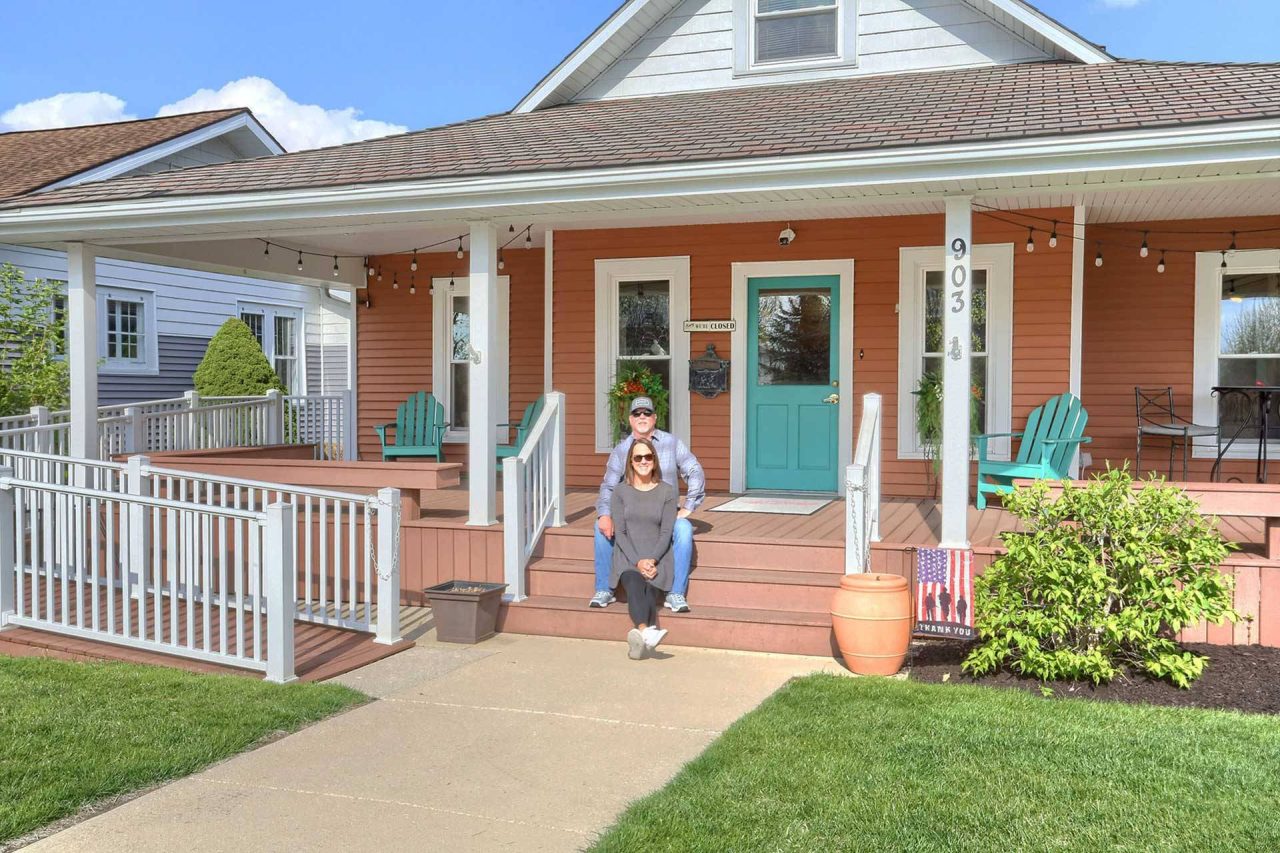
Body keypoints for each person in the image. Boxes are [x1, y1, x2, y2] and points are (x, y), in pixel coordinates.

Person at [590, 396, 704, 612]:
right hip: (632, 516)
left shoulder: (672, 443)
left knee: (683, 529)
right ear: (630, 420)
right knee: (600, 526)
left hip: (665, 515)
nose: (642, 417)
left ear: (655, 418)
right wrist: (604, 513)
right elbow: (608, 486)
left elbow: (694, 469)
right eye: (637, 413)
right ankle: (604, 588)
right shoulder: (621, 450)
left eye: (646, 413)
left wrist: (689, 505)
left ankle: (676, 593)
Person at [610, 437, 676, 659]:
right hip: (629, 556)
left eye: (648, 457)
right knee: (635, 582)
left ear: (655, 461)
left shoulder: (667, 492)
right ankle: (647, 632)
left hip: (659, 557)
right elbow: (621, 533)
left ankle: (642, 636)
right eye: (638, 457)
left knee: (651, 588)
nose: (643, 461)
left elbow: (666, 532)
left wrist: (653, 559)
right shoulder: (620, 492)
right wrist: (638, 561)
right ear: (630, 462)